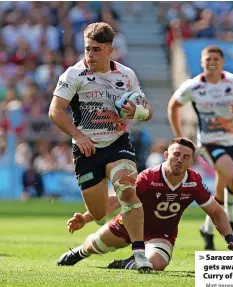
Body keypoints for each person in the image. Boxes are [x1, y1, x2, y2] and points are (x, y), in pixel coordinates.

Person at [49, 22, 153, 272]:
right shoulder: (73, 75)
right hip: (86, 151)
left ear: (109, 50)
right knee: (98, 216)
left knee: (127, 191)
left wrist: (137, 112)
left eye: (96, 50)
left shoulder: (126, 75)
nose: (90, 55)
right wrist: (78, 135)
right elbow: (55, 111)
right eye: (87, 49)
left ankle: (139, 254)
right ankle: (87, 217)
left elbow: (147, 111)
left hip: (117, 143)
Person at [57, 138, 233, 271]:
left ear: (192, 161)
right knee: (93, 246)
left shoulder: (194, 182)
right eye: (176, 154)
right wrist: (85, 217)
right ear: (166, 155)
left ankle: (126, 263)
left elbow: (216, 212)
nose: (179, 160)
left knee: (156, 264)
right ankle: (79, 252)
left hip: (161, 234)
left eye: (185, 157)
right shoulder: (149, 177)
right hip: (129, 226)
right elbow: (115, 200)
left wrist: (229, 239)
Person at [167, 46, 233, 250]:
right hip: (209, 142)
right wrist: (179, 135)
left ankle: (207, 229)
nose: (212, 62)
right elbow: (173, 106)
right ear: (202, 62)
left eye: (216, 58)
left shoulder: (232, 81)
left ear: (222, 62)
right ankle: (230, 219)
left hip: (232, 141)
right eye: (208, 59)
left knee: (223, 181)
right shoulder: (194, 86)